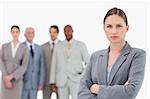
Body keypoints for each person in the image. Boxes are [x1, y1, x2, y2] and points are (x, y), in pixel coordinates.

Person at [78, 7, 146, 99]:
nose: (114, 31)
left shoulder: (137, 55)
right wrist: (120, 91)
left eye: (119, 26)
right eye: (109, 26)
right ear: (104, 29)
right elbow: (81, 94)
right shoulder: (95, 56)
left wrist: (97, 89)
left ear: (127, 28)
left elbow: (130, 92)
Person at [50, 24, 90, 99]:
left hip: (76, 79)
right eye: (65, 31)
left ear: (72, 31)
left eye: (69, 31)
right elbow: (54, 64)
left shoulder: (81, 45)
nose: (67, 33)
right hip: (61, 80)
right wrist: (52, 81)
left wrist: (82, 75)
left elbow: (88, 62)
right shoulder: (58, 46)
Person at [0, 25, 29, 99]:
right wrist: (6, 77)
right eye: (13, 32)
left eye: (16, 32)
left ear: (19, 33)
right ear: (11, 33)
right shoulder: (4, 46)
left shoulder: (24, 48)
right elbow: (1, 61)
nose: (15, 34)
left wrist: (11, 77)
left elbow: (24, 66)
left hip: (17, 80)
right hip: (5, 79)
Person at [22, 27, 45, 99]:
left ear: (34, 34)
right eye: (28, 33)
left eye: (32, 33)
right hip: (23, 83)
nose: (30, 35)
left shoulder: (39, 48)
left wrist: (41, 82)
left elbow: (42, 67)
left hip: (35, 83)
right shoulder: (20, 47)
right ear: (25, 34)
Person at [42, 25, 60, 99]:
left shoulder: (63, 46)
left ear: (57, 33)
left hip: (60, 81)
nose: (52, 34)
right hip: (46, 81)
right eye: (50, 32)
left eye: (54, 32)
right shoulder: (43, 47)